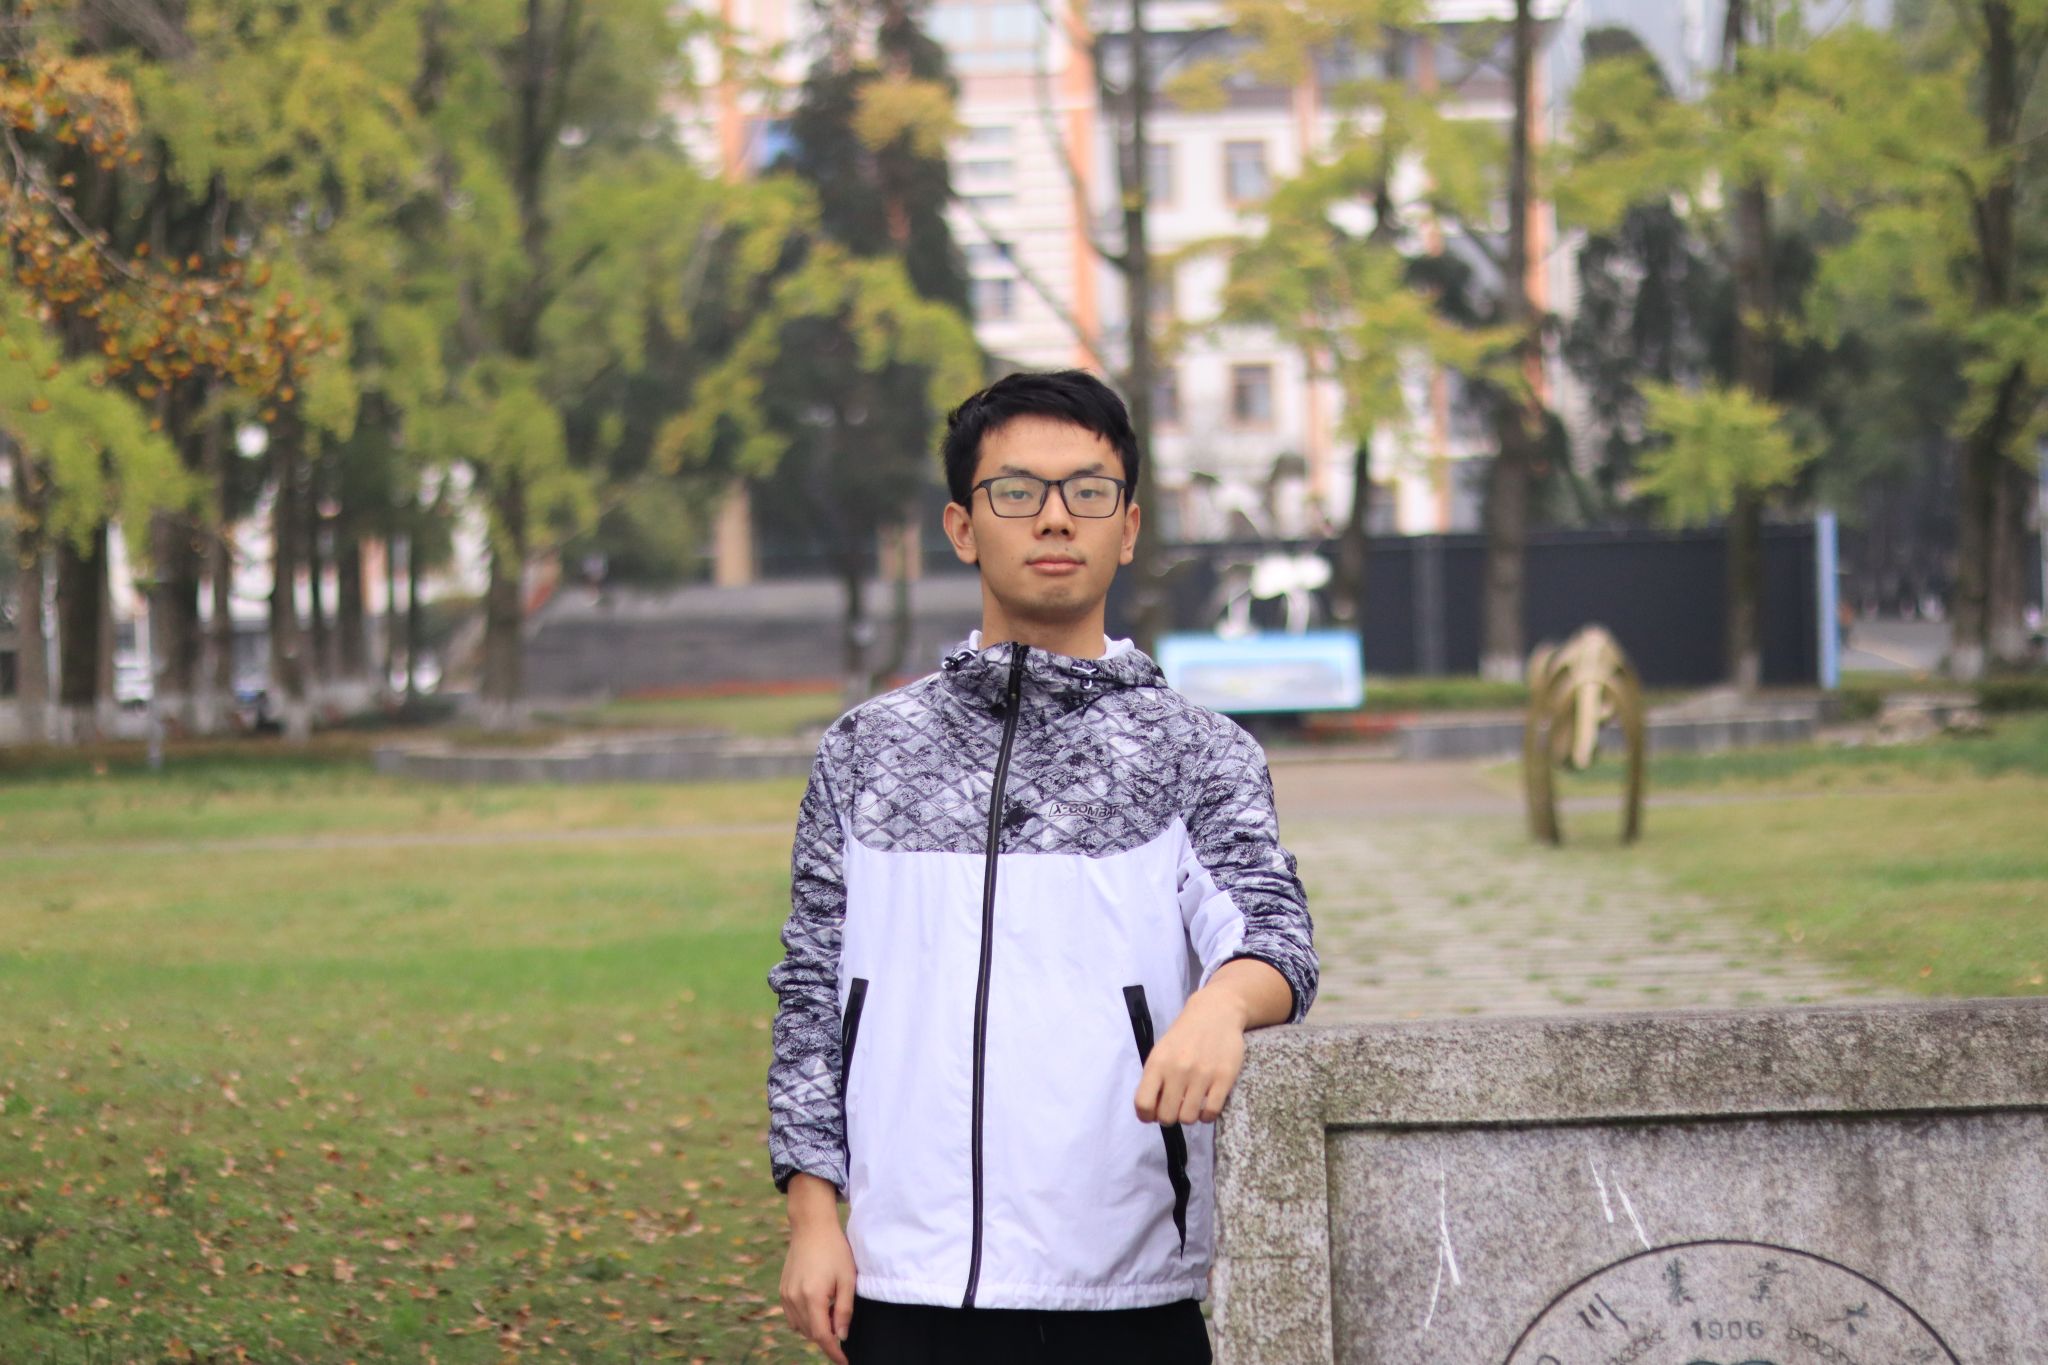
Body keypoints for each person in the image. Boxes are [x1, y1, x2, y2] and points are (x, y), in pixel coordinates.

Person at [767, 370, 1317, 1364]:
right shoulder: (864, 752)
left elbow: (1274, 939)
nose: (1054, 518)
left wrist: (1222, 1005)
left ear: (1129, 527)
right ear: (962, 526)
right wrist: (813, 1214)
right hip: (904, 1282)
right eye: (1017, 491)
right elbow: (811, 991)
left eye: (1087, 492)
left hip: (1125, 1293)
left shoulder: (1197, 752)